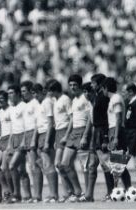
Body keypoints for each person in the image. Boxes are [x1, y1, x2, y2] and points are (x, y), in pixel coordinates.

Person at [59, 74, 90, 202]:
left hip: (83, 130)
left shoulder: (85, 98)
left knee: (85, 166)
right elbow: (72, 119)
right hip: (73, 133)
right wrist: (67, 135)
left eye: (75, 85)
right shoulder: (74, 100)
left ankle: (87, 194)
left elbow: (89, 119)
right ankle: (78, 191)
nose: (72, 87)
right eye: (70, 85)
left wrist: (85, 136)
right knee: (64, 164)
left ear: (80, 85)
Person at [102, 77, 132, 190]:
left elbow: (118, 118)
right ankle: (123, 189)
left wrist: (115, 137)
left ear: (105, 88)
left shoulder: (116, 99)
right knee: (117, 163)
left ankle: (128, 188)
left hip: (116, 130)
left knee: (119, 163)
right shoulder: (113, 99)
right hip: (113, 129)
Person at [48, 79, 74, 202]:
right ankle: (68, 192)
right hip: (59, 132)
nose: (48, 93)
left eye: (50, 90)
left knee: (63, 164)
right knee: (58, 164)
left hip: (65, 131)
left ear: (54, 90)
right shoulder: (55, 101)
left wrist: (66, 135)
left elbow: (71, 118)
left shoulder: (65, 99)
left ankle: (72, 191)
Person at [33, 83, 58, 203]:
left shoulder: (47, 102)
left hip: (46, 134)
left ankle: (54, 194)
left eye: (36, 93)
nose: (35, 96)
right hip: (41, 134)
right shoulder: (40, 104)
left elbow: (50, 123)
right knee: (43, 164)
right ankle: (52, 194)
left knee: (48, 164)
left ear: (42, 91)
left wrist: (47, 141)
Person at [90, 74, 114, 202]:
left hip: (102, 131)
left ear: (99, 84)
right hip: (97, 130)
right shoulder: (97, 96)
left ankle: (113, 191)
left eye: (93, 83)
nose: (91, 85)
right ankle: (110, 191)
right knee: (104, 165)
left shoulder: (103, 98)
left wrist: (105, 138)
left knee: (107, 163)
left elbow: (105, 118)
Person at [7, 85, 32, 203]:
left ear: (18, 93)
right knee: (21, 169)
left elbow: (27, 125)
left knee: (12, 166)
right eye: (8, 93)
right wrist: (10, 143)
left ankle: (16, 194)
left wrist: (23, 141)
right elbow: (12, 127)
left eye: (12, 93)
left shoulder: (24, 106)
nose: (10, 95)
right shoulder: (11, 108)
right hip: (14, 138)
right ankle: (27, 195)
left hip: (23, 137)